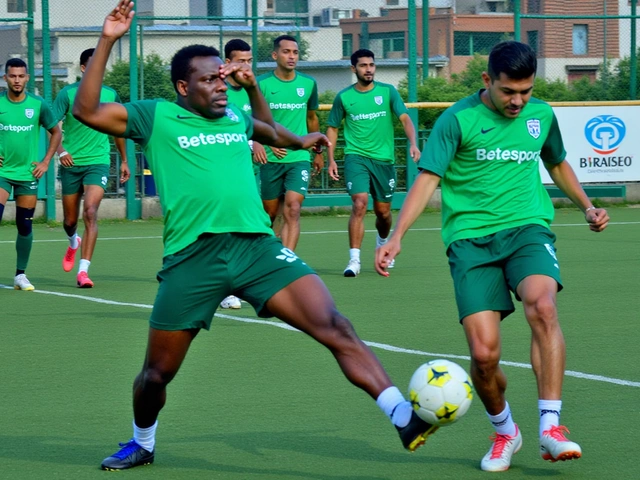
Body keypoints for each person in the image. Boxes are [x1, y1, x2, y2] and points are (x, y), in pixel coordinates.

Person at [74, 2, 436, 471]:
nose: (221, 86)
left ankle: (403, 416)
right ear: (184, 87)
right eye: (209, 80)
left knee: (335, 325)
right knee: (156, 375)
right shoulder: (155, 116)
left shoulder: (233, 115)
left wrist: (299, 135)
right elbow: (86, 109)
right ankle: (143, 441)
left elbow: (271, 130)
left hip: (257, 248)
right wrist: (109, 39)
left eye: (222, 78)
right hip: (193, 258)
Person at [376, 41, 610, 472]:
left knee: (543, 305)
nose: (518, 101)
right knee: (484, 358)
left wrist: (586, 205)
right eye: (508, 92)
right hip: (469, 241)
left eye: (526, 91)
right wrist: (396, 237)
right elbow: (428, 180)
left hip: (527, 229)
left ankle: (551, 428)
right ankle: (506, 432)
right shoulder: (457, 119)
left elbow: (556, 163)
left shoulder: (541, 115)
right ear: (488, 81)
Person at [327, 49, 420, 277]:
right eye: (363, 65)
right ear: (353, 69)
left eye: (371, 65)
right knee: (359, 203)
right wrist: (330, 159)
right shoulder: (344, 97)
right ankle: (354, 261)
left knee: (383, 213)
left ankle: (382, 242)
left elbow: (405, 118)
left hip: (383, 160)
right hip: (355, 157)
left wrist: (413, 143)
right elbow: (332, 127)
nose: (368, 69)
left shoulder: (388, 92)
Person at [52, 48, 130, 288]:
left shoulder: (110, 94)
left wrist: (125, 159)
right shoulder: (67, 94)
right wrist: (61, 151)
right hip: (72, 163)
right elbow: (52, 126)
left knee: (91, 212)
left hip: (98, 162)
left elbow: (118, 128)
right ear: (84, 69)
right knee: (69, 220)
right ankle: (72, 242)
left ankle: (83, 271)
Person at [256, 35, 324, 251]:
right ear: (275, 55)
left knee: (293, 209)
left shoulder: (308, 83)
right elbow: (256, 121)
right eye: (286, 52)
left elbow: (312, 118)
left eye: (295, 52)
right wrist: (267, 142)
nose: (291, 56)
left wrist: (318, 152)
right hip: (271, 157)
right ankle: (270, 254)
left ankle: (288, 261)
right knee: (270, 214)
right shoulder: (262, 84)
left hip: (299, 157)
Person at [0, 58, 62, 291]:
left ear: (27, 78)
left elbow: (56, 132)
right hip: (2, 173)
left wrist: (46, 161)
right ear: (5, 78)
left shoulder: (38, 104)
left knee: (24, 226)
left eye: (21, 76)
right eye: (12, 76)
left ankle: (20, 275)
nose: (17, 80)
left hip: (28, 174)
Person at [219, 38, 254, 310]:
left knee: (243, 229)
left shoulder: (252, 89)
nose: (246, 67)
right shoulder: (218, 90)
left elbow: (262, 126)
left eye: (250, 61)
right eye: (241, 61)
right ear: (228, 62)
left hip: (244, 173)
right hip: (218, 173)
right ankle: (223, 288)